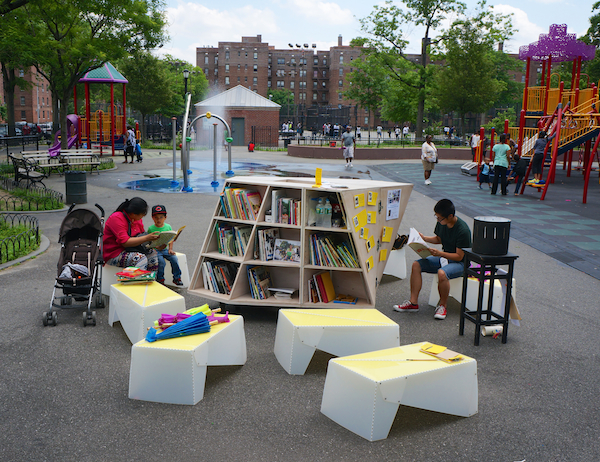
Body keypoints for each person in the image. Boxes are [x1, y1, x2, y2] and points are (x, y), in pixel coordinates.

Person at [393, 199, 471, 320]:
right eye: (437, 217)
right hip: (444, 258)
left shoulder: (463, 230)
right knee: (416, 265)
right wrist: (423, 239)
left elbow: (459, 256)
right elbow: (439, 239)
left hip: (460, 263)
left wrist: (440, 253)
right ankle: (413, 303)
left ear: (450, 216)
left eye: (440, 218)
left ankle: (442, 306)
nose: (438, 220)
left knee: (442, 273)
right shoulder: (442, 222)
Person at [103, 197, 160, 271]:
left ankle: (151, 280)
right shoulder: (116, 218)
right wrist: (147, 238)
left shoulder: (136, 219)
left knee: (152, 254)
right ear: (133, 213)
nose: (143, 216)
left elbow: (141, 236)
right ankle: (138, 281)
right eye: (142, 214)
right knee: (140, 258)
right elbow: (125, 242)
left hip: (133, 249)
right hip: (114, 253)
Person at [148, 205, 183, 286]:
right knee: (161, 262)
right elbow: (149, 241)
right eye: (156, 217)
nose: (158, 219)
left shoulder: (168, 226)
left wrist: (170, 249)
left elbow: (171, 239)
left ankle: (177, 278)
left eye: (161, 217)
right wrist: (156, 247)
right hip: (156, 250)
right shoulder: (151, 228)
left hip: (165, 249)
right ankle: (160, 279)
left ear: (165, 217)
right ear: (152, 218)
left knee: (174, 258)